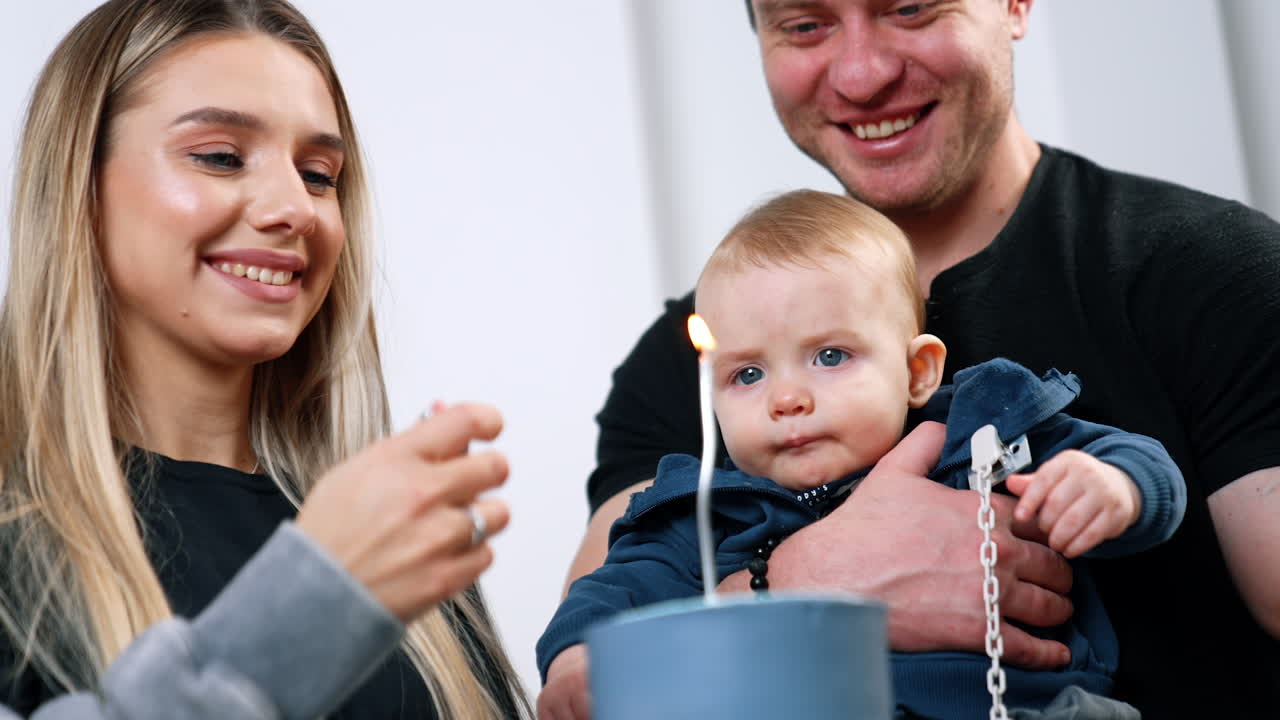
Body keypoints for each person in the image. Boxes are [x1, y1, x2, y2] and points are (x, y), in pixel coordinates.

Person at [543, 1, 1280, 717]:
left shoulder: (1212, 275)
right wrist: (795, 585)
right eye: (805, 25)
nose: (862, 76)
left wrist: (1117, 489)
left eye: (912, 8)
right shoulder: (690, 360)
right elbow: (603, 679)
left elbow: (1126, 470)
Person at [0, 1, 531, 718]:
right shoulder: (16, 542)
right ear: (79, 185)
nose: (295, 208)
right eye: (220, 156)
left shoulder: (393, 523)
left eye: (318, 174)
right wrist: (314, 606)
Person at [538, 190, 1182, 718]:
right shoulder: (698, 516)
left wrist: (1113, 489)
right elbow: (604, 599)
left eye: (830, 356)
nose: (786, 398)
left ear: (918, 371)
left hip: (1036, 707)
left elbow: (1136, 462)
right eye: (748, 376)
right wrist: (575, 661)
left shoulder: (985, 434)